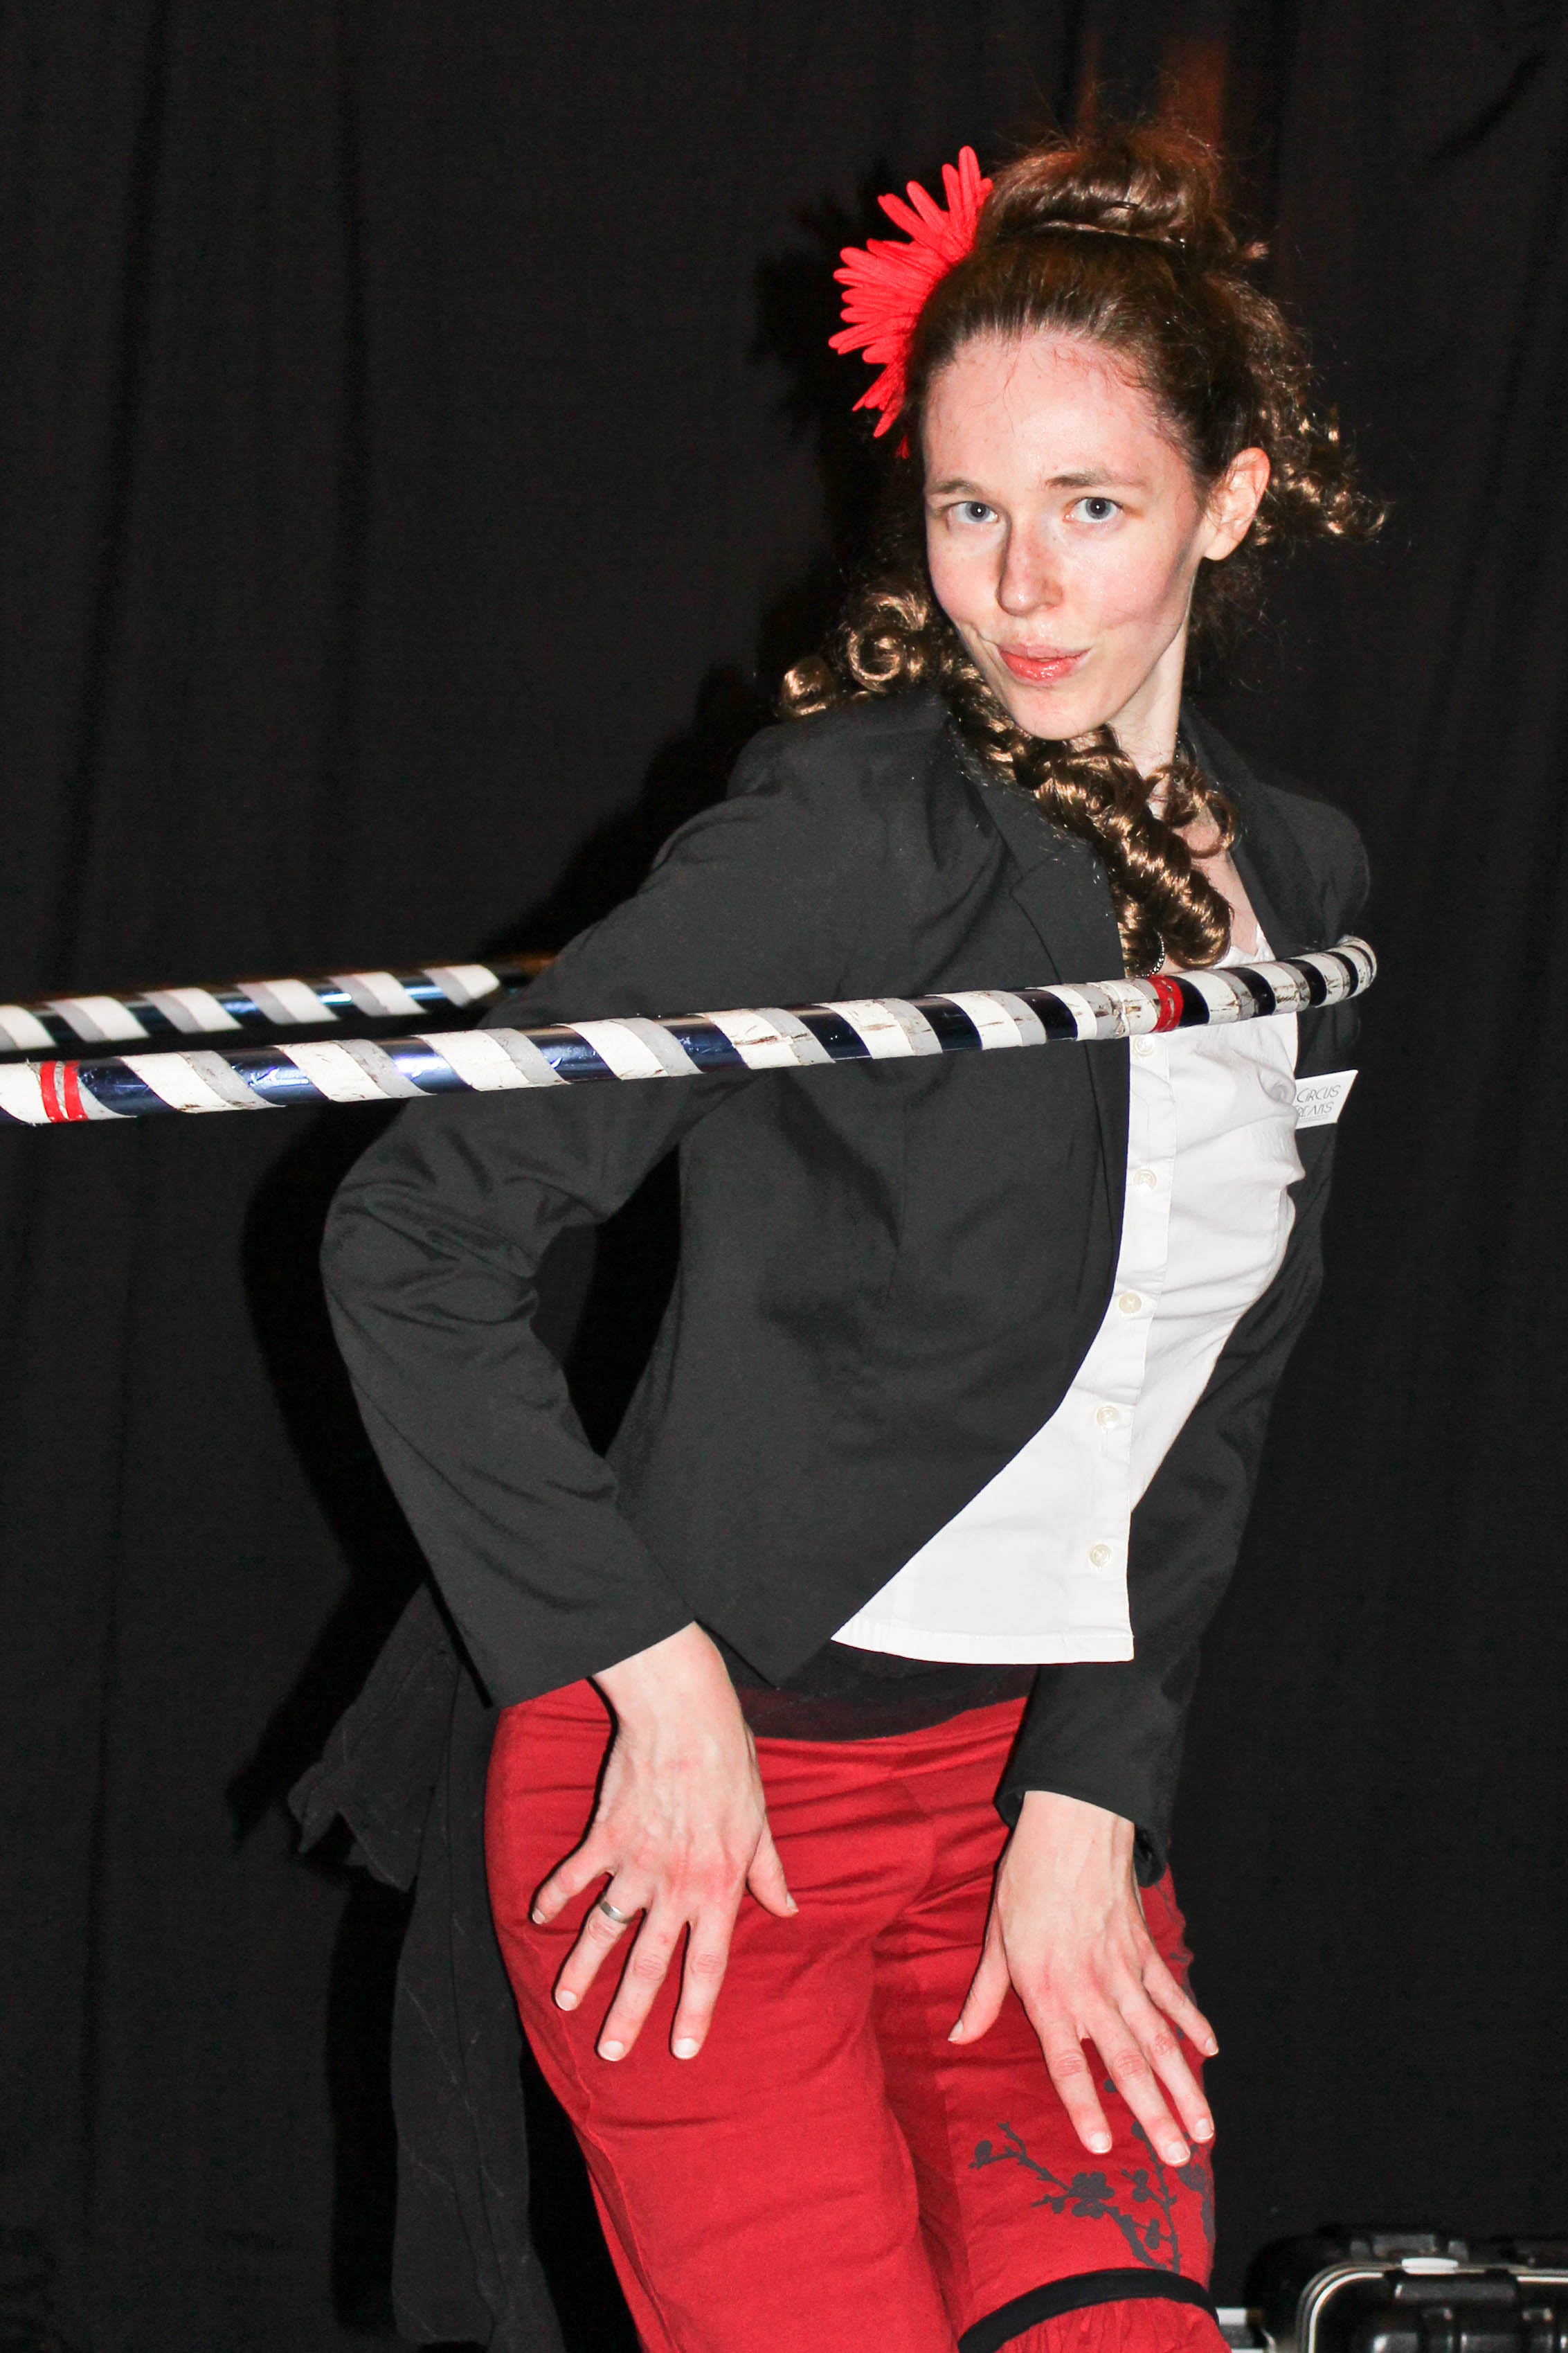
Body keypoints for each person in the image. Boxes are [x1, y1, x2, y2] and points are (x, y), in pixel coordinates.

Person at [321, 124, 1375, 2353]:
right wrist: (650, 1678)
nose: (1020, 588)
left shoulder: (1300, 887)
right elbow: (414, 1233)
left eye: (1089, 508)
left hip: (1029, 1813)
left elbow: (1222, 1379)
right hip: (699, 1811)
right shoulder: (849, 844)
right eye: (967, 510)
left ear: (1229, 501)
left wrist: (1094, 1781)